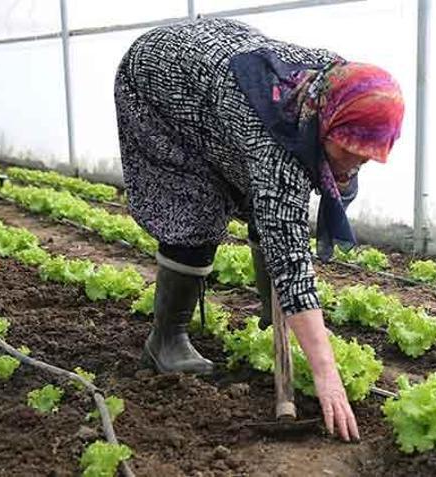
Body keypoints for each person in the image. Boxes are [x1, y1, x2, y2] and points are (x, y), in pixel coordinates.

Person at [114, 17, 404, 442]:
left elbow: (310, 187)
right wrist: (327, 375)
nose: (357, 161)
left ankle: (277, 323)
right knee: (193, 212)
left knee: (270, 204)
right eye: (351, 149)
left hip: (217, 65)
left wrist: (343, 168)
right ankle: (166, 340)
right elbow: (288, 252)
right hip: (159, 83)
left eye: (369, 155)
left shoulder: (343, 89)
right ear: (328, 123)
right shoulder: (273, 136)